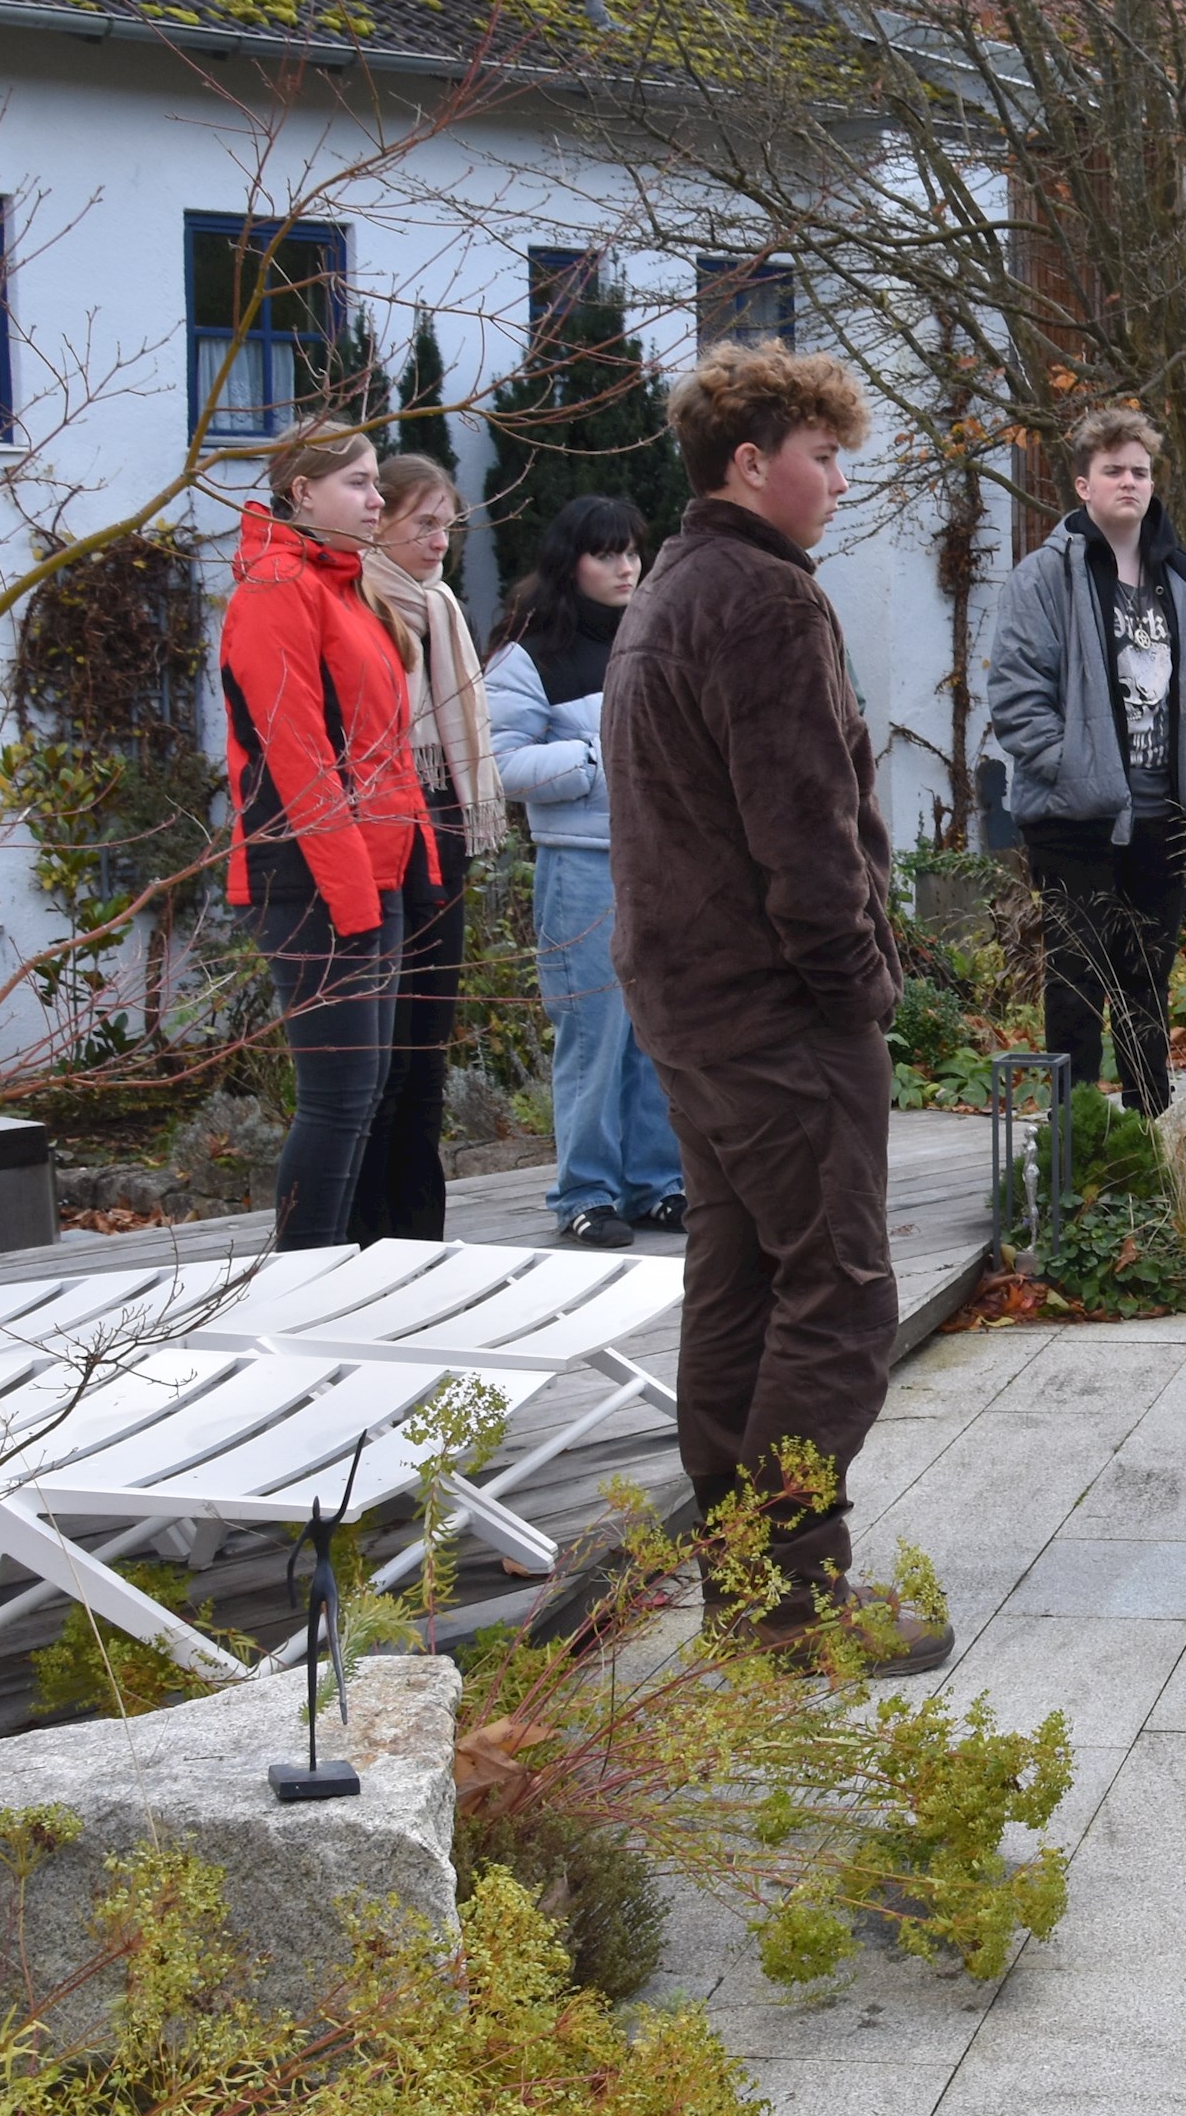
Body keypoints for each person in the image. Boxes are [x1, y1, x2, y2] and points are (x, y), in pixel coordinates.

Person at [603, 338, 946, 1672]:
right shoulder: (757, 600)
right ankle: (793, 1602)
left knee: (739, 1286)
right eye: (824, 455)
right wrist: (857, 981)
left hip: (691, 1002)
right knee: (844, 1295)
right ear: (751, 462)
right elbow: (804, 834)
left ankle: (745, 1587)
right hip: (775, 1008)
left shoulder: (674, 587)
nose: (842, 480)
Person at [986, 401, 1186, 1116]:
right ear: (1082, 485)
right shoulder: (1044, 579)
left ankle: (1147, 1142)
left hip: (1165, 818)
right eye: (1113, 470)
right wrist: (1072, 768)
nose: (1129, 482)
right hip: (1075, 822)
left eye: (1141, 470)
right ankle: (1075, 1141)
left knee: (1148, 988)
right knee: (1075, 987)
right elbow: (1014, 691)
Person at [216, 419, 429, 1251]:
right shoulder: (276, 587)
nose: (378, 500)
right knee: (338, 1100)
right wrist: (356, 903)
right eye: (359, 483)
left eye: (378, 482)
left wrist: (413, 872)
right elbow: (300, 760)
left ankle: (335, 1281)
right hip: (311, 881)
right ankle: (300, 1291)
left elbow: (385, 750)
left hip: (372, 876)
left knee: (365, 1097)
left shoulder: (339, 583)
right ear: (301, 492)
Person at [483, 493, 687, 1250]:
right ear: (570, 560)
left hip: (658, 863)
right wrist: (598, 756)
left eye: (632, 549)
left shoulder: (652, 636)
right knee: (593, 1033)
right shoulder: (527, 652)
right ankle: (584, 1191)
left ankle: (656, 1185)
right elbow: (499, 764)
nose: (625, 564)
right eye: (606, 552)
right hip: (580, 865)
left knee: (656, 1032)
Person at [353, 457, 507, 1243]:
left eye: (448, 523)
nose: (439, 539)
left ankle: (420, 1233)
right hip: (383, 831)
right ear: (379, 524)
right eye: (423, 522)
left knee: (426, 1050)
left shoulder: (442, 608)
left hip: (443, 825)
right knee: (380, 1063)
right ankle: (367, 1234)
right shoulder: (357, 602)